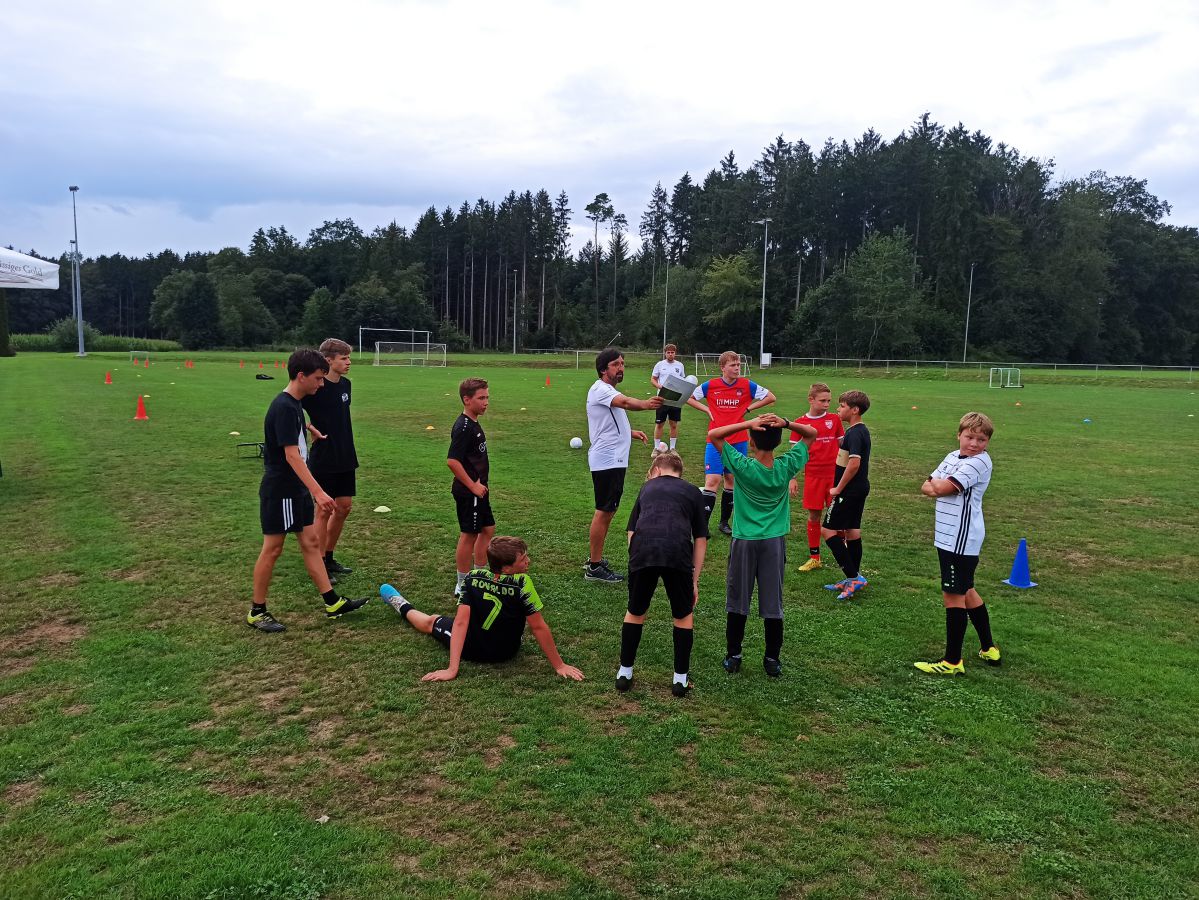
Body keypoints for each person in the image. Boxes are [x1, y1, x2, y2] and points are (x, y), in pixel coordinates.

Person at [246, 349, 370, 633]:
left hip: (297, 489)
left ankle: (332, 602)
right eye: (317, 378)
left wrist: (308, 429)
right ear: (301, 376)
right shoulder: (284, 406)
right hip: (282, 490)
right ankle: (257, 611)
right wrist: (318, 492)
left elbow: (294, 435)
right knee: (273, 549)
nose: (321, 384)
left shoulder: (294, 406)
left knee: (311, 543)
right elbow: (291, 456)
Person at [380, 536, 584, 682]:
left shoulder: (472, 577)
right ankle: (400, 603)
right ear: (506, 568)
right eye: (523, 559)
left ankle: (400, 603)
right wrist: (559, 665)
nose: (528, 561)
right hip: (507, 651)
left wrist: (452, 669)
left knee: (431, 621)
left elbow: (461, 622)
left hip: (472, 649)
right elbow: (538, 627)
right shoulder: (522, 583)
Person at [708, 412, 817, 678]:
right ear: (778, 442)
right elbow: (811, 434)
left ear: (751, 441)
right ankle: (772, 659)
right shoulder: (786, 466)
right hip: (773, 542)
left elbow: (714, 435)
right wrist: (786, 423)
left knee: (738, 598)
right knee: (772, 602)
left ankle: (734, 655)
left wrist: (748, 423)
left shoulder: (743, 466)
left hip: (745, 541)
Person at [616, 451, 709, 697]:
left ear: (656, 470)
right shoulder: (693, 492)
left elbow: (631, 531)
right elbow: (700, 539)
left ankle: (624, 673)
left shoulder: (646, 488)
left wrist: (636, 562)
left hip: (643, 550)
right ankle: (680, 680)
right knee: (683, 615)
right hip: (677, 552)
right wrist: (694, 580)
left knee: (635, 611)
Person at [915, 412, 1001, 675]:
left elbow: (940, 488)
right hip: (947, 534)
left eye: (981, 439)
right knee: (967, 590)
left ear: (987, 442)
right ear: (959, 435)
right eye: (969, 437)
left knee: (953, 595)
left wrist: (937, 485)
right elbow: (926, 486)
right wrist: (936, 485)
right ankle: (989, 648)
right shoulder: (953, 456)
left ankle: (952, 662)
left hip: (960, 538)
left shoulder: (979, 462)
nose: (974, 444)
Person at [585, 348, 663, 583]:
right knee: (604, 511)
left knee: (608, 510)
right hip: (608, 460)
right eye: (615, 364)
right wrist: (647, 404)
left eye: (622, 363)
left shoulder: (607, 390)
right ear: (603, 369)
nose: (621, 368)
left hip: (612, 459)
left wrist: (630, 432)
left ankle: (595, 559)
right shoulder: (601, 389)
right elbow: (627, 403)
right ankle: (594, 566)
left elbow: (608, 424)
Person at [687, 351, 776, 536]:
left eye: (738, 365)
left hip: (739, 440)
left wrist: (748, 408)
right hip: (715, 440)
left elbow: (771, 397)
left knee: (731, 480)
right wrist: (707, 409)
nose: (737, 368)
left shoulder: (747, 385)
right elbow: (689, 397)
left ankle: (724, 522)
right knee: (712, 480)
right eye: (733, 365)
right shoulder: (710, 385)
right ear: (723, 367)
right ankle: (702, 525)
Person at [301, 338, 359, 584]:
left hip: (345, 454)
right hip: (324, 456)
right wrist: (309, 427)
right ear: (328, 360)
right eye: (343, 358)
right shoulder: (316, 387)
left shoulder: (346, 385)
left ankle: (329, 556)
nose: (348, 362)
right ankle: (319, 564)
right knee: (324, 510)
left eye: (348, 358)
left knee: (344, 507)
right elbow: (289, 405)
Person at [788, 383, 844, 572]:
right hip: (813, 476)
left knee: (837, 516)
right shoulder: (800, 423)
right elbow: (795, 454)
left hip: (834, 476)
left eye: (829, 401)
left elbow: (843, 447)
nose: (827, 404)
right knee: (814, 515)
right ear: (811, 400)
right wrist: (792, 477)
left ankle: (843, 555)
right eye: (823, 401)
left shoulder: (834, 420)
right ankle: (814, 558)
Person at [822, 390, 872, 601]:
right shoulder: (859, 431)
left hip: (849, 491)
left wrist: (838, 488)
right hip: (859, 488)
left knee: (828, 530)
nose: (838, 409)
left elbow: (854, 464)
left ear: (854, 410)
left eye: (842, 406)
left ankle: (853, 576)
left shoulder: (854, 433)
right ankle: (852, 579)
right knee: (852, 531)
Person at [447, 378, 493, 598]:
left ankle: (479, 575)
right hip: (469, 491)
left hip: (479, 489)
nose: (486, 402)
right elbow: (452, 461)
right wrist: (473, 485)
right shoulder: (463, 427)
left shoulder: (473, 423)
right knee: (469, 535)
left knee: (488, 529)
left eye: (487, 397)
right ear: (467, 399)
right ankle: (463, 584)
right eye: (481, 398)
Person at [650, 343, 686, 452]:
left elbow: (683, 380)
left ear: (675, 353)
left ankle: (673, 448)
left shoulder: (680, 365)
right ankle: (656, 448)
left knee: (673, 424)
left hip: (675, 399)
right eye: (668, 352)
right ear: (665, 353)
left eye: (672, 352)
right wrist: (660, 386)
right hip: (662, 398)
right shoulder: (660, 364)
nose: (670, 354)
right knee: (659, 423)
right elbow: (653, 379)